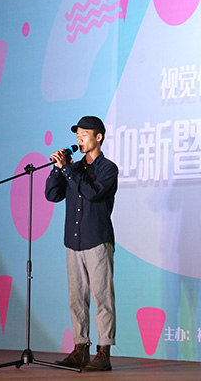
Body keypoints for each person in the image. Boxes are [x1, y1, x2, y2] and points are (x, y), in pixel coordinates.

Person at [45, 115, 118, 371]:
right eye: (77, 135)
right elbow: (52, 194)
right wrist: (58, 169)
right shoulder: (74, 169)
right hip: (73, 242)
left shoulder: (108, 169)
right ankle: (80, 348)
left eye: (84, 134)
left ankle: (104, 352)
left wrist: (67, 170)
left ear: (98, 137)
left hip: (97, 240)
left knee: (102, 297)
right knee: (76, 298)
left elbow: (92, 193)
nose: (80, 139)